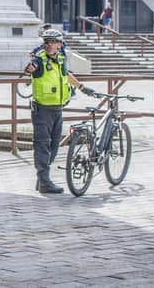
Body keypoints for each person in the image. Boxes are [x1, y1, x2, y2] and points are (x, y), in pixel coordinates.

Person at [25, 29, 95, 194]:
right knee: (42, 146)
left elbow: (66, 75)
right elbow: (30, 69)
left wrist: (82, 87)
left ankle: (43, 179)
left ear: (59, 44)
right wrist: (29, 69)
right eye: (46, 42)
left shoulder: (61, 59)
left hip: (57, 109)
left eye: (52, 42)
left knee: (54, 147)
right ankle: (44, 182)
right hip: (42, 110)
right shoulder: (39, 60)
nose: (49, 45)